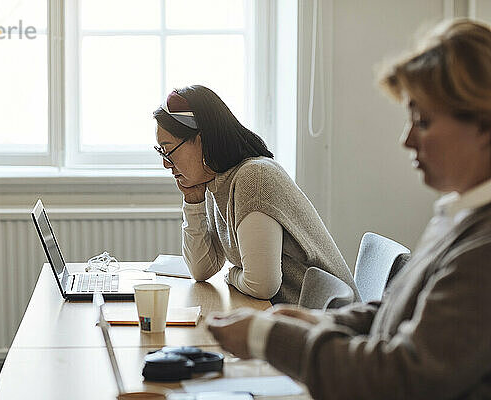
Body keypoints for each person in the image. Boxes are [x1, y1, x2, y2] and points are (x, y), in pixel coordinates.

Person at [206, 19, 491, 399]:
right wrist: (317, 321)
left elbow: (400, 379)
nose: (406, 139)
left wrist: (265, 336)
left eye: (422, 121)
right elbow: (400, 314)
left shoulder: (483, 249)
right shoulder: (459, 215)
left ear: (484, 123)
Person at [153, 85, 359, 304]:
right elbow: (201, 270)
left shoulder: (253, 177)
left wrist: (231, 274)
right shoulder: (215, 181)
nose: (166, 163)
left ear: (203, 139)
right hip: (294, 317)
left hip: (326, 323)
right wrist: (193, 202)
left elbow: (261, 286)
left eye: (168, 150)